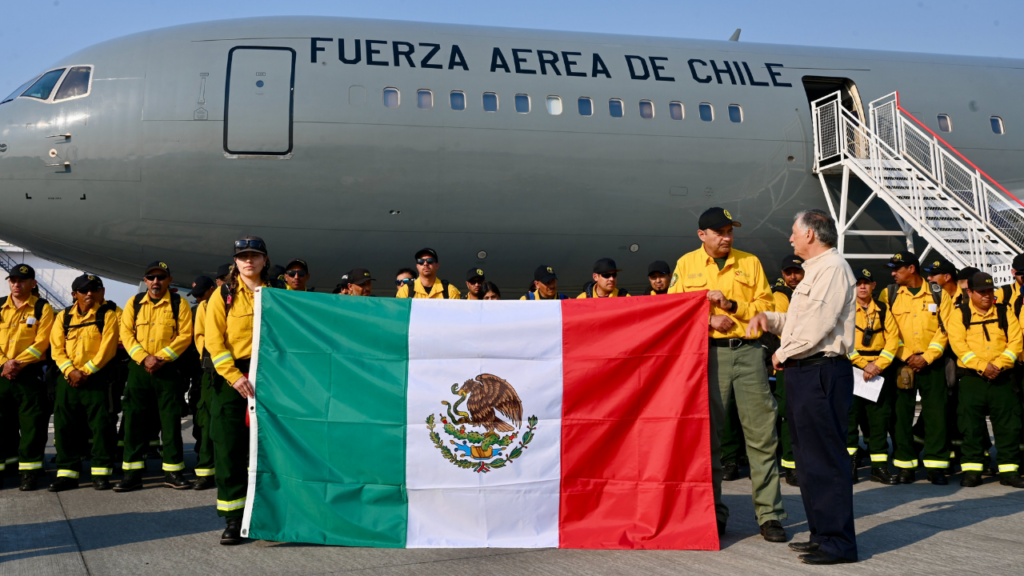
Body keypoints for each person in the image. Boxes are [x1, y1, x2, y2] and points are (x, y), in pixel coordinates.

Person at [667, 207, 786, 543]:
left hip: (748, 354)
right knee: (710, 440)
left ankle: (770, 515)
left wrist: (732, 307)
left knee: (762, 437)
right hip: (709, 356)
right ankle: (714, 514)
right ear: (701, 235)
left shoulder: (750, 263)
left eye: (730, 231)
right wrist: (707, 322)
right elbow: (673, 311)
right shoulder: (686, 265)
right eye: (719, 232)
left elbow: (766, 306)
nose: (727, 238)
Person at [748, 209, 858, 565]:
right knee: (808, 462)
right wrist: (771, 320)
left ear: (811, 234)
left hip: (820, 371)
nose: (790, 239)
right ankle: (822, 534)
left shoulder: (832, 269)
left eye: (794, 232)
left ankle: (839, 544)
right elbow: (800, 322)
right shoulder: (814, 271)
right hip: (805, 372)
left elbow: (819, 327)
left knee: (825, 460)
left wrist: (780, 353)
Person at [205, 236, 273, 545]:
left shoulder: (276, 294)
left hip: (270, 381)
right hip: (233, 382)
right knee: (230, 449)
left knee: (268, 450)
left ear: (264, 260)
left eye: (254, 256)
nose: (249, 261)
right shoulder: (223, 295)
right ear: (236, 261)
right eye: (243, 256)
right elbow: (214, 342)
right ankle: (234, 519)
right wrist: (234, 377)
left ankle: (267, 513)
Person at [114, 261, 194, 492]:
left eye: (161, 277)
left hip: (167, 369)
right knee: (134, 424)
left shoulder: (180, 304)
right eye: (151, 277)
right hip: (140, 370)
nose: (156, 282)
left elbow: (184, 335)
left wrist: (160, 358)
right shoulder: (135, 302)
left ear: (169, 280)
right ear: (145, 280)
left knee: (170, 424)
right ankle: (132, 474)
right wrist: (144, 358)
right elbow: (126, 333)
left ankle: (173, 472)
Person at [879, 251, 951, 485]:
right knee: (901, 416)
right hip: (902, 365)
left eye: (897, 269)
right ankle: (905, 466)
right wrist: (908, 355)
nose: (893, 273)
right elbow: (887, 331)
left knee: (936, 415)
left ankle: (935, 467)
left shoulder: (939, 294)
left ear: (911, 269)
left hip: (932, 364)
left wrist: (927, 357)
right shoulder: (888, 294)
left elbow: (946, 330)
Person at [947, 272, 1024, 488]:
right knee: (970, 426)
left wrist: (998, 365)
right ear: (970, 292)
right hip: (973, 380)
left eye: (990, 291)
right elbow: (958, 345)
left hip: (1003, 378)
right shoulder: (959, 314)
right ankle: (973, 471)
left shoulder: (1004, 311)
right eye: (981, 292)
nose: (987, 296)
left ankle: (1009, 471)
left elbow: (1016, 342)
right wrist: (982, 367)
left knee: (1008, 426)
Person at [47, 274, 120, 492]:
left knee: (101, 427)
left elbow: (108, 348)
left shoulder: (108, 315)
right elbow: (56, 349)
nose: (90, 293)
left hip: (96, 379)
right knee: (65, 427)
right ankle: (67, 474)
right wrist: (70, 371)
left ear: (102, 292)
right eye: (84, 290)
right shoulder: (63, 317)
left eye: (95, 289)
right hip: (68, 379)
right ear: (74, 294)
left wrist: (85, 371)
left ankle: (100, 473)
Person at [0, 264, 55, 491]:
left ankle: (29, 472)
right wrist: (4, 363)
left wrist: (17, 363)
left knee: (32, 425)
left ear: (33, 283)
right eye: (12, 280)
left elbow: (41, 342)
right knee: (3, 425)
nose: (16, 284)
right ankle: (7, 467)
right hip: (2, 374)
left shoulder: (42, 308)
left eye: (21, 280)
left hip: (30, 375)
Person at [846, 268, 900, 485]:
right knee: (850, 421)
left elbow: (893, 340)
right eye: (859, 283)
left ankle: (879, 468)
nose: (862, 286)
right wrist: (863, 365)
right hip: (853, 370)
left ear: (873, 285)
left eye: (866, 283)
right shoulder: (846, 310)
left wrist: (877, 365)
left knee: (879, 421)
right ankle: (849, 466)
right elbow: (844, 341)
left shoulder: (884, 310)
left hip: (878, 373)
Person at [770, 254, 804, 486]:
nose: (793, 276)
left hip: (811, 362)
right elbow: (788, 326)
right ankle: (791, 466)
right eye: (788, 272)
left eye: (797, 271)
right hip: (790, 363)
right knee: (789, 416)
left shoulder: (813, 291)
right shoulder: (781, 296)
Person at [189, 275, 217, 490]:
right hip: (210, 370)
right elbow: (200, 338)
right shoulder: (204, 307)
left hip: (241, 371)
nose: (198, 298)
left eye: (200, 294)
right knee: (205, 422)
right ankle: (206, 471)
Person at [396, 248, 460, 299]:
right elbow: (400, 314)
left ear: (437, 265)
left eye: (430, 261)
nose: (425, 264)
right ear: (417, 266)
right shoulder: (405, 291)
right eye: (421, 261)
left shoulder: (450, 291)